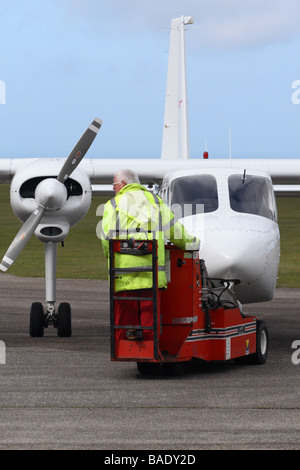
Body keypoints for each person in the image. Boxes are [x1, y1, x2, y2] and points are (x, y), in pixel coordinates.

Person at [100, 169, 200, 340]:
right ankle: (147, 351)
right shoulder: (155, 201)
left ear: (123, 184)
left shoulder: (113, 205)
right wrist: (193, 244)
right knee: (149, 318)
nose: (113, 188)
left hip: (123, 277)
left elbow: (105, 240)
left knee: (124, 319)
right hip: (151, 275)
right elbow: (174, 231)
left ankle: (127, 348)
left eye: (114, 184)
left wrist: (111, 256)